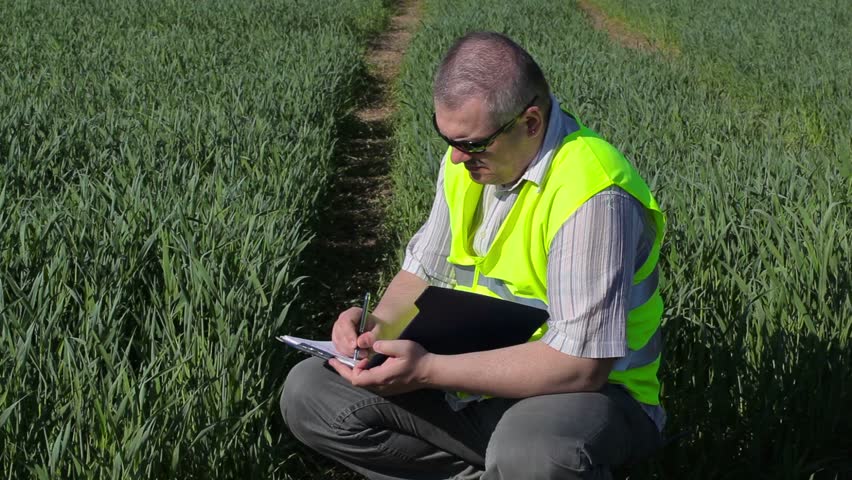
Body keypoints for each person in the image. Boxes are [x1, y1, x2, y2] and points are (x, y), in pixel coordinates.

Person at [281, 31, 666, 480]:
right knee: (309, 391)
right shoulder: (467, 162)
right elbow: (422, 271)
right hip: (470, 378)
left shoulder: (593, 194)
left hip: (584, 397)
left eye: (473, 143)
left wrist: (427, 371)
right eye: (447, 138)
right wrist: (372, 333)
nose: (458, 157)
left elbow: (581, 367)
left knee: (534, 454)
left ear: (531, 122)